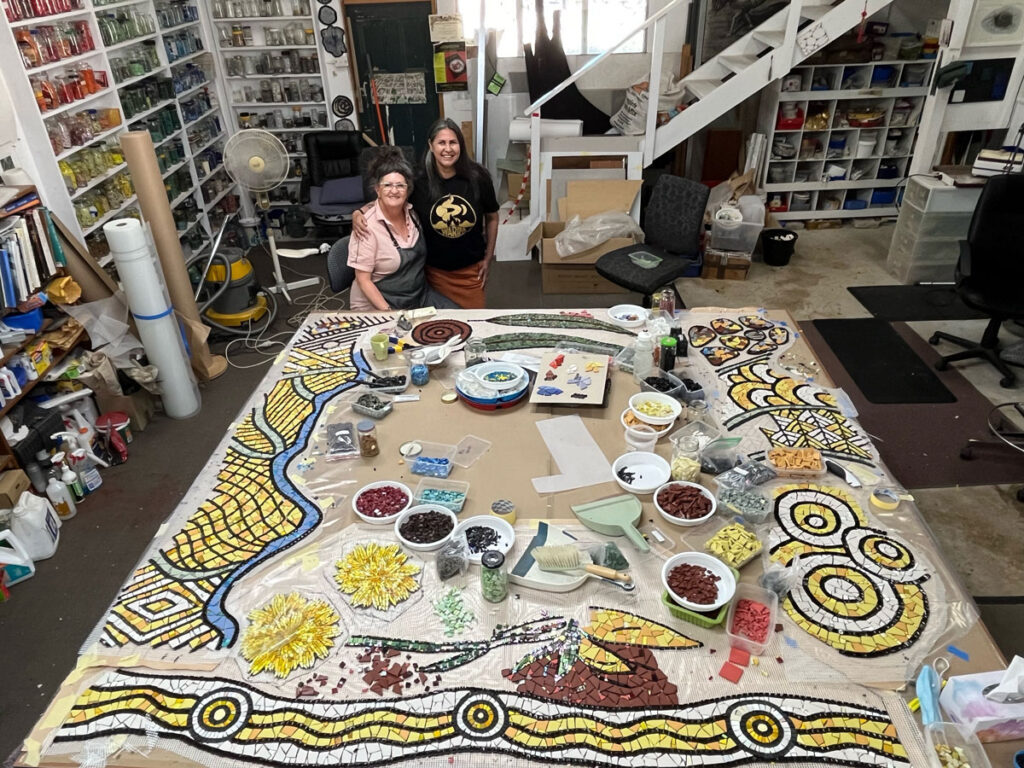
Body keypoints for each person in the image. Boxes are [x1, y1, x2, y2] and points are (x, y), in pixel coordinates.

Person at [353, 119, 499, 308]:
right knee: (435, 330)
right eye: (441, 143)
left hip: (470, 272)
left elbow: (493, 217)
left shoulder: (478, 178)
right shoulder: (418, 180)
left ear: (461, 145)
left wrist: (489, 258)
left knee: (472, 325)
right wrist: (359, 212)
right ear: (431, 145)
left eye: (453, 142)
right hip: (432, 274)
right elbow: (390, 199)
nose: (448, 149)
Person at [346, 146, 455, 312]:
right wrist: (391, 313)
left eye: (400, 185)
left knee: (460, 320)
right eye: (387, 185)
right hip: (379, 304)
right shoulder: (366, 227)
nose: (394, 190)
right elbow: (363, 280)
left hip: (418, 296)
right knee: (405, 337)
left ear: (408, 189)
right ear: (377, 189)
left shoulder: (413, 213)